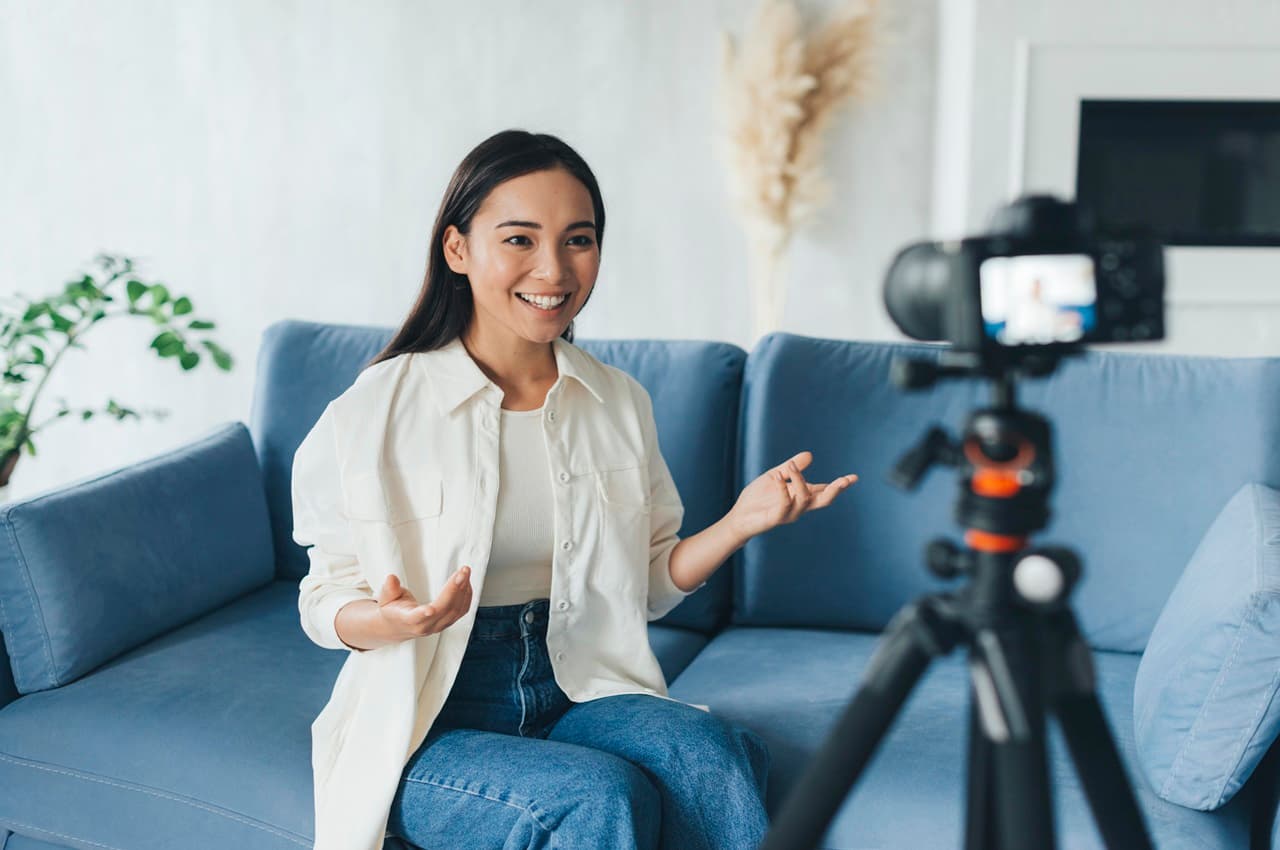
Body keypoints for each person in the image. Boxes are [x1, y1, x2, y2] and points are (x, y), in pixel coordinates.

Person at [291, 129, 860, 850]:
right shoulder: (373, 410)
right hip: (430, 716)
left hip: (577, 687)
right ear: (458, 249)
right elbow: (323, 599)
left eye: (578, 239)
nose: (554, 269)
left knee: (712, 755)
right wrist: (389, 622)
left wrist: (740, 523)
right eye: (520, 239)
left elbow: (647, 585)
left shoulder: (617, 401)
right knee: (596, 797)